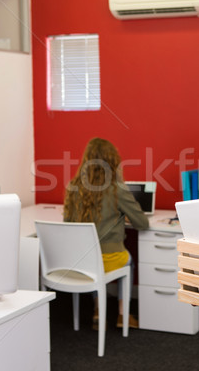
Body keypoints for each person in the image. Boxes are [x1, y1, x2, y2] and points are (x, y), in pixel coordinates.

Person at [63, 137, 149, 329]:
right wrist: (122, 217)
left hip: (82, 260)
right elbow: (142, 224)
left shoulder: (73, 188)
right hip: (110, 258)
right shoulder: (116, 189)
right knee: (129, 261)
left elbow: (67, 225)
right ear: (112, 161)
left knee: (93, 259)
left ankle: (97, 310)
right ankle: (122, 314)